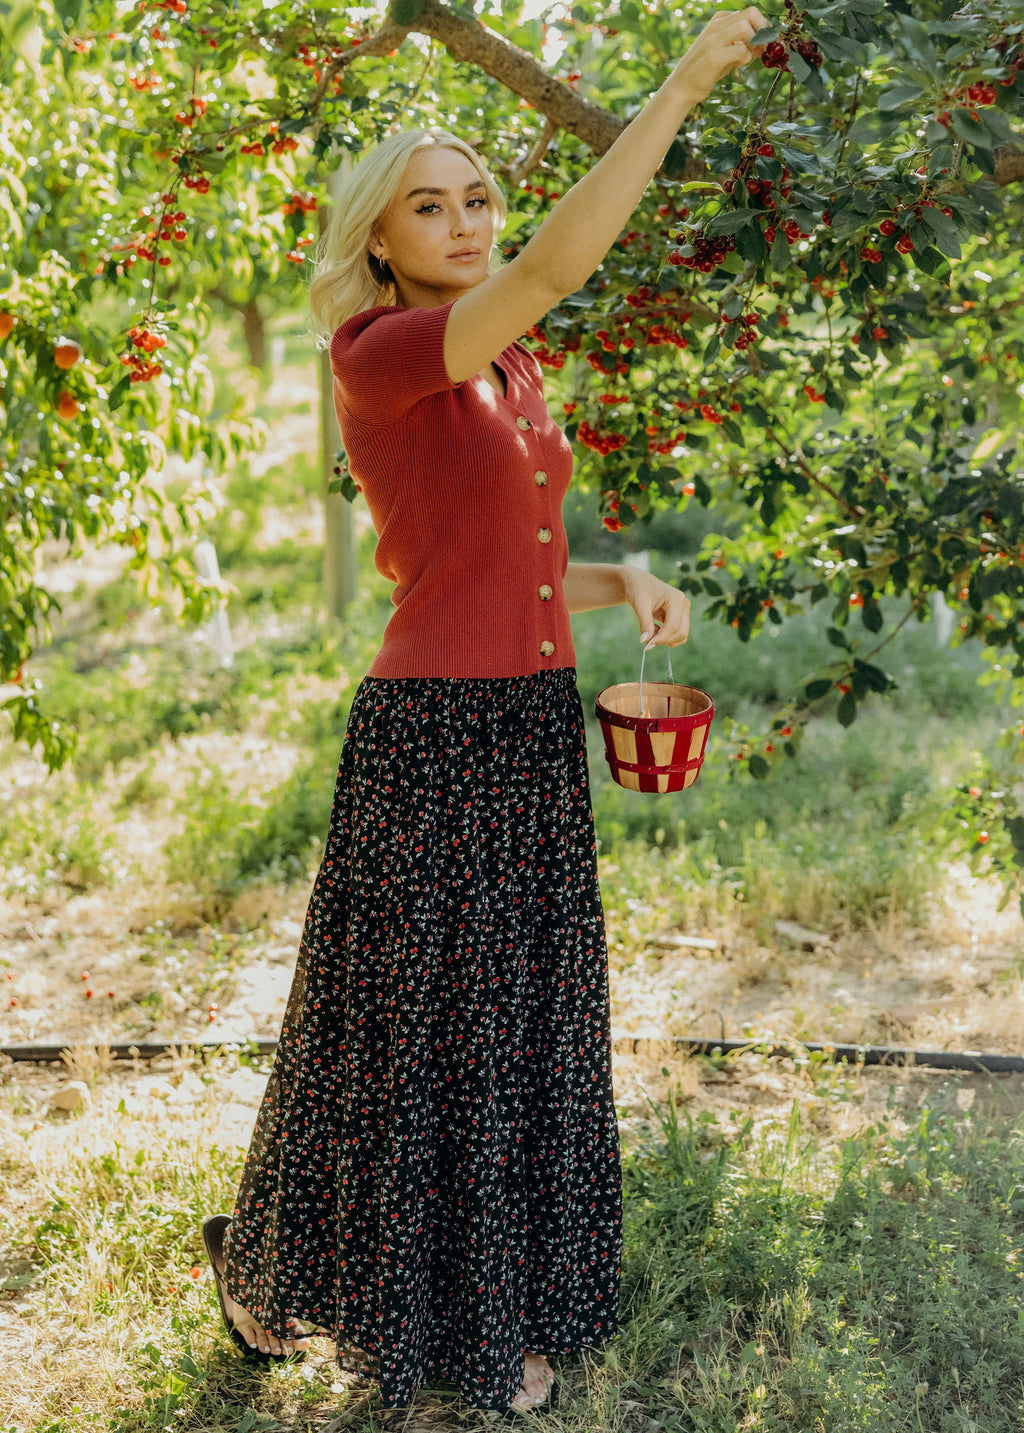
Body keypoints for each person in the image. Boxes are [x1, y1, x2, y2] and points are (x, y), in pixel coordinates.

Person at [201, 6, 767, 1416]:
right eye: (432, 206)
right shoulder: (381, 351)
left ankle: (465, 1297)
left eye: (479, 201)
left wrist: (616, 571)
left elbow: (493, 550)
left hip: (527, 722)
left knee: (511, 1025)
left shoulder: (507, 371)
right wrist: (688, 78)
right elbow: (562, 262)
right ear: (381, 239)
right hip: (431, 732)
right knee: (420, 1032)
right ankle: (423, 1319)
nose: (466, 223)